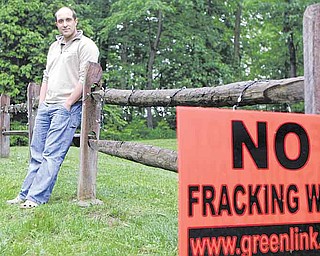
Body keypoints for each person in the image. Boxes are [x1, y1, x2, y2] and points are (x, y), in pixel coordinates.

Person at [7, 6, 100, 208]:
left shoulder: (86, 46)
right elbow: (46, 76)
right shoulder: (53, 46)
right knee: (36, 153)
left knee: (51, 154)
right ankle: (25, 194)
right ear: (56, 24)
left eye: (68, 20)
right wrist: (41, 103)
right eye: (60, 21)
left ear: (76, 21)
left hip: (67, 107)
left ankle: (36, 198)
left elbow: (85, 80)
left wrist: (67, 104)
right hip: (47, 106)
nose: (65, 24)